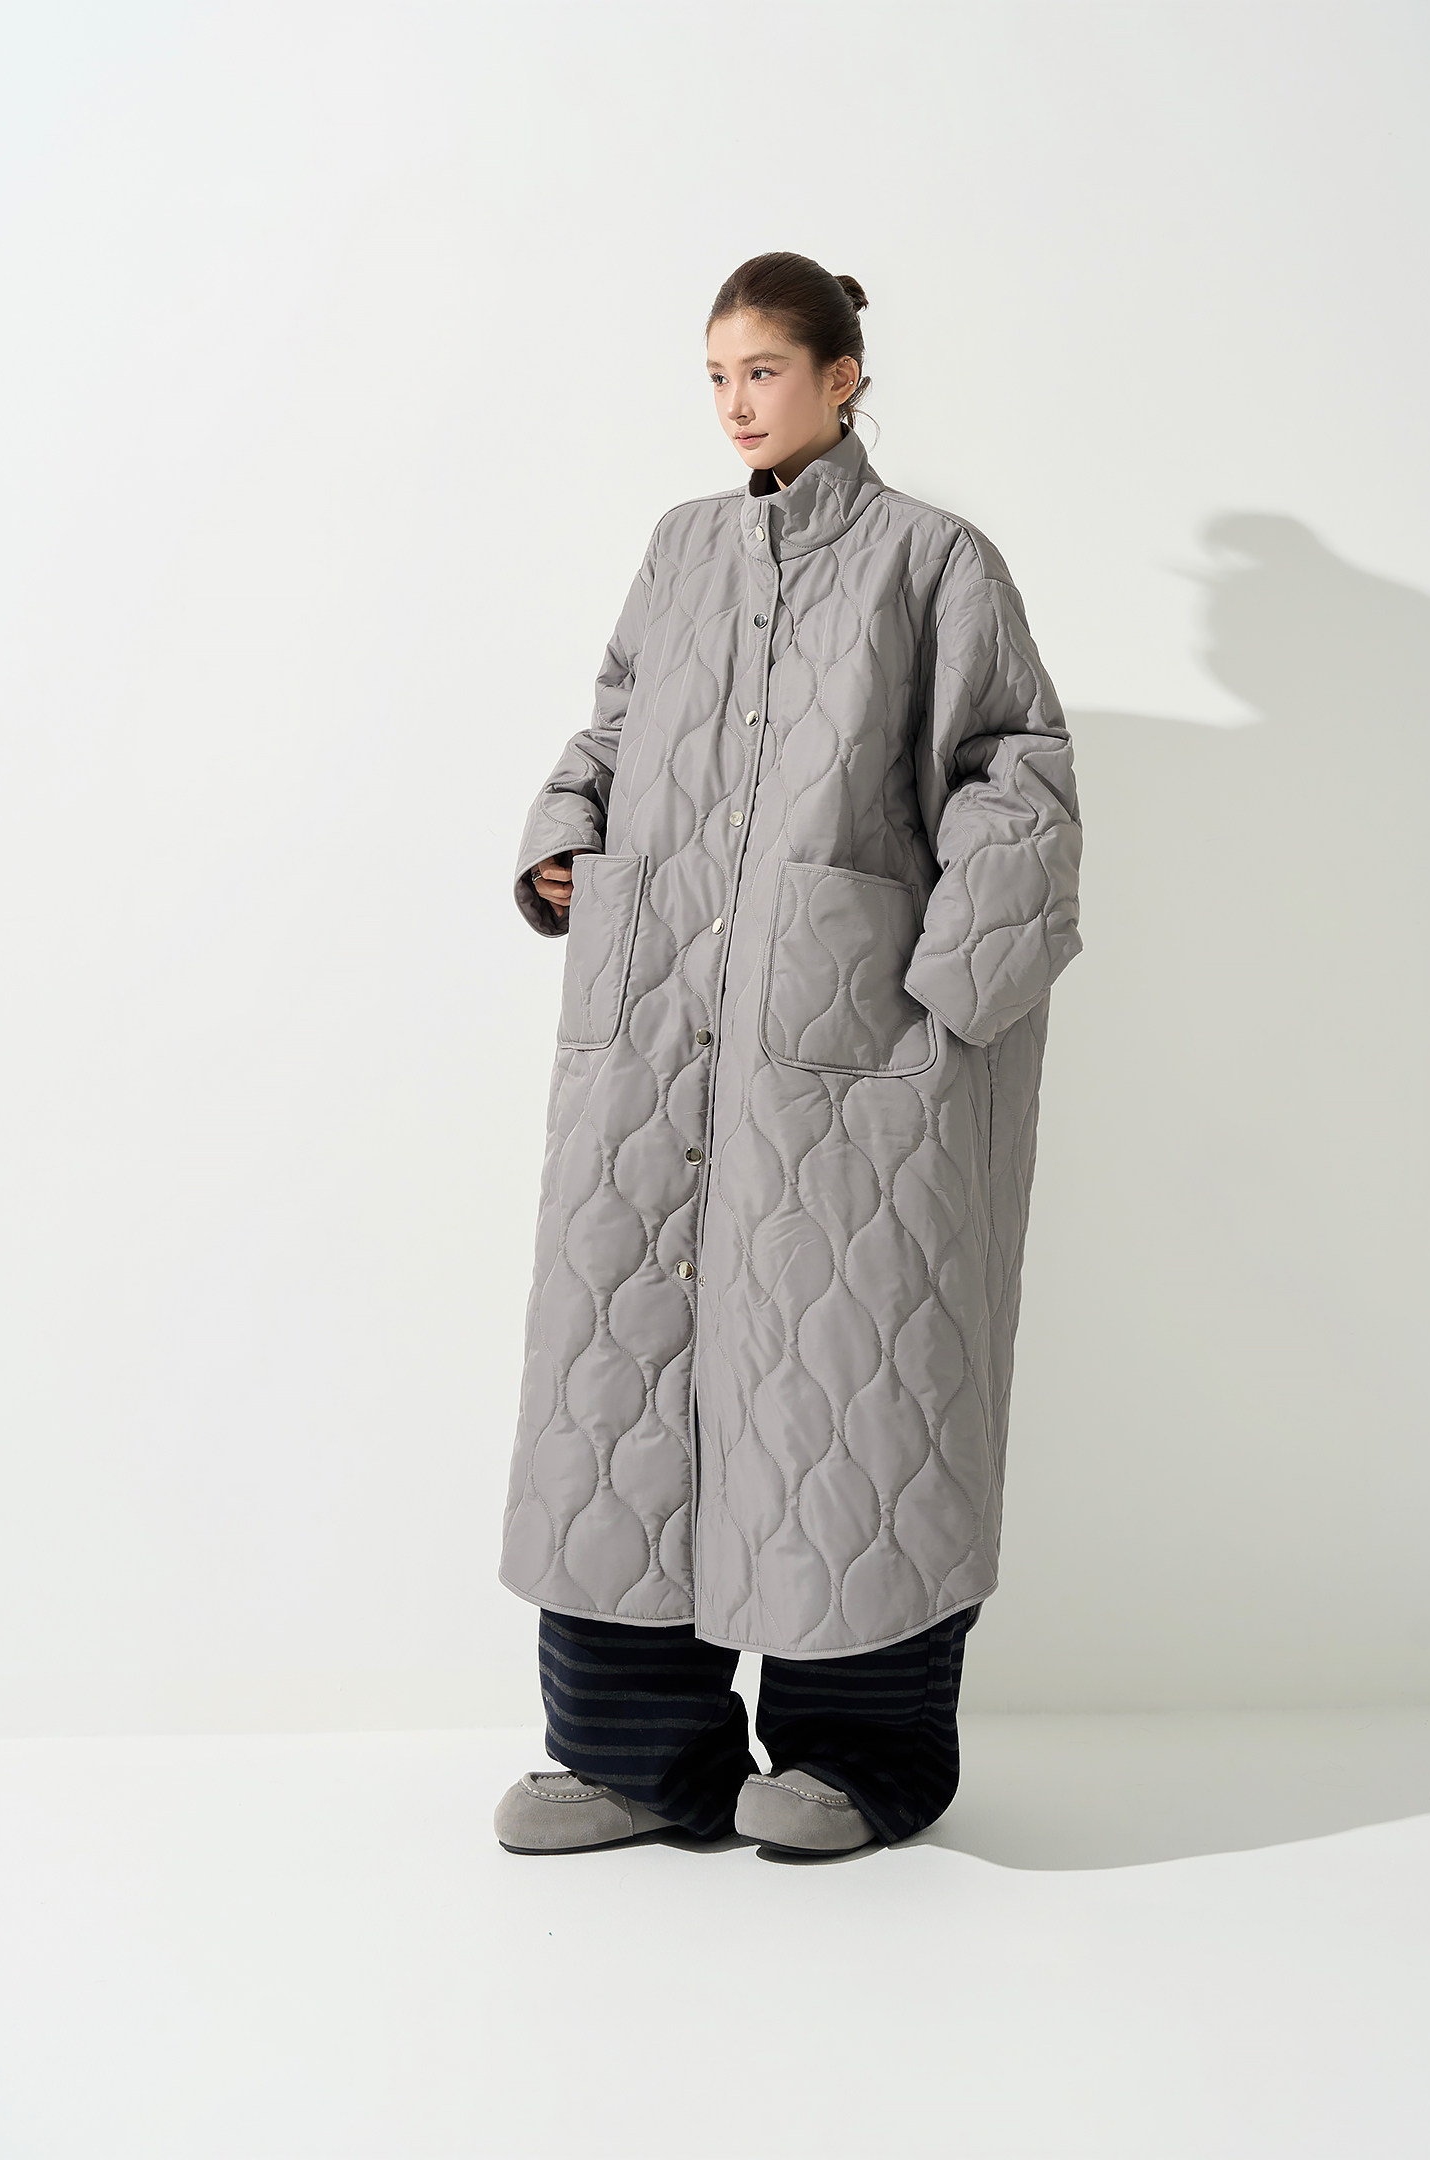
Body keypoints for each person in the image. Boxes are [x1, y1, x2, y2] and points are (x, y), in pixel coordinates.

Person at [494, 251, 1083, 1858]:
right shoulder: (680, 550)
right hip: (655, 1036)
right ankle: (638, 1758)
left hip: (846, 1052)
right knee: (621, 1378)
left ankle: (856, 1759)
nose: (736, 404)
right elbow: (615, 725)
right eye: (716, 376)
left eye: (762, 371)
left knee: (847, 1386)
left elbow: (1017, 773)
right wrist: (566, 843)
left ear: (842, 378)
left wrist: (942, 1000)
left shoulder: (935, 561)